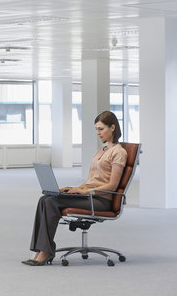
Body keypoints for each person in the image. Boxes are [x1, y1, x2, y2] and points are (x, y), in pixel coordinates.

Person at [22, 111, 127, 266]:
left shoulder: (119, 152)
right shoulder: (103, 150)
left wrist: (84, 192)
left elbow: (112, 185)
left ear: (112, 127)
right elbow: (92, 180)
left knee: (51, 202)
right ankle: (39, 249)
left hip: (100, 200)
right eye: (96, 129)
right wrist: (74, 188)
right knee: (45, 199)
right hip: (88, 195)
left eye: (101, 129)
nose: (98, 133)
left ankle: (45, 251)